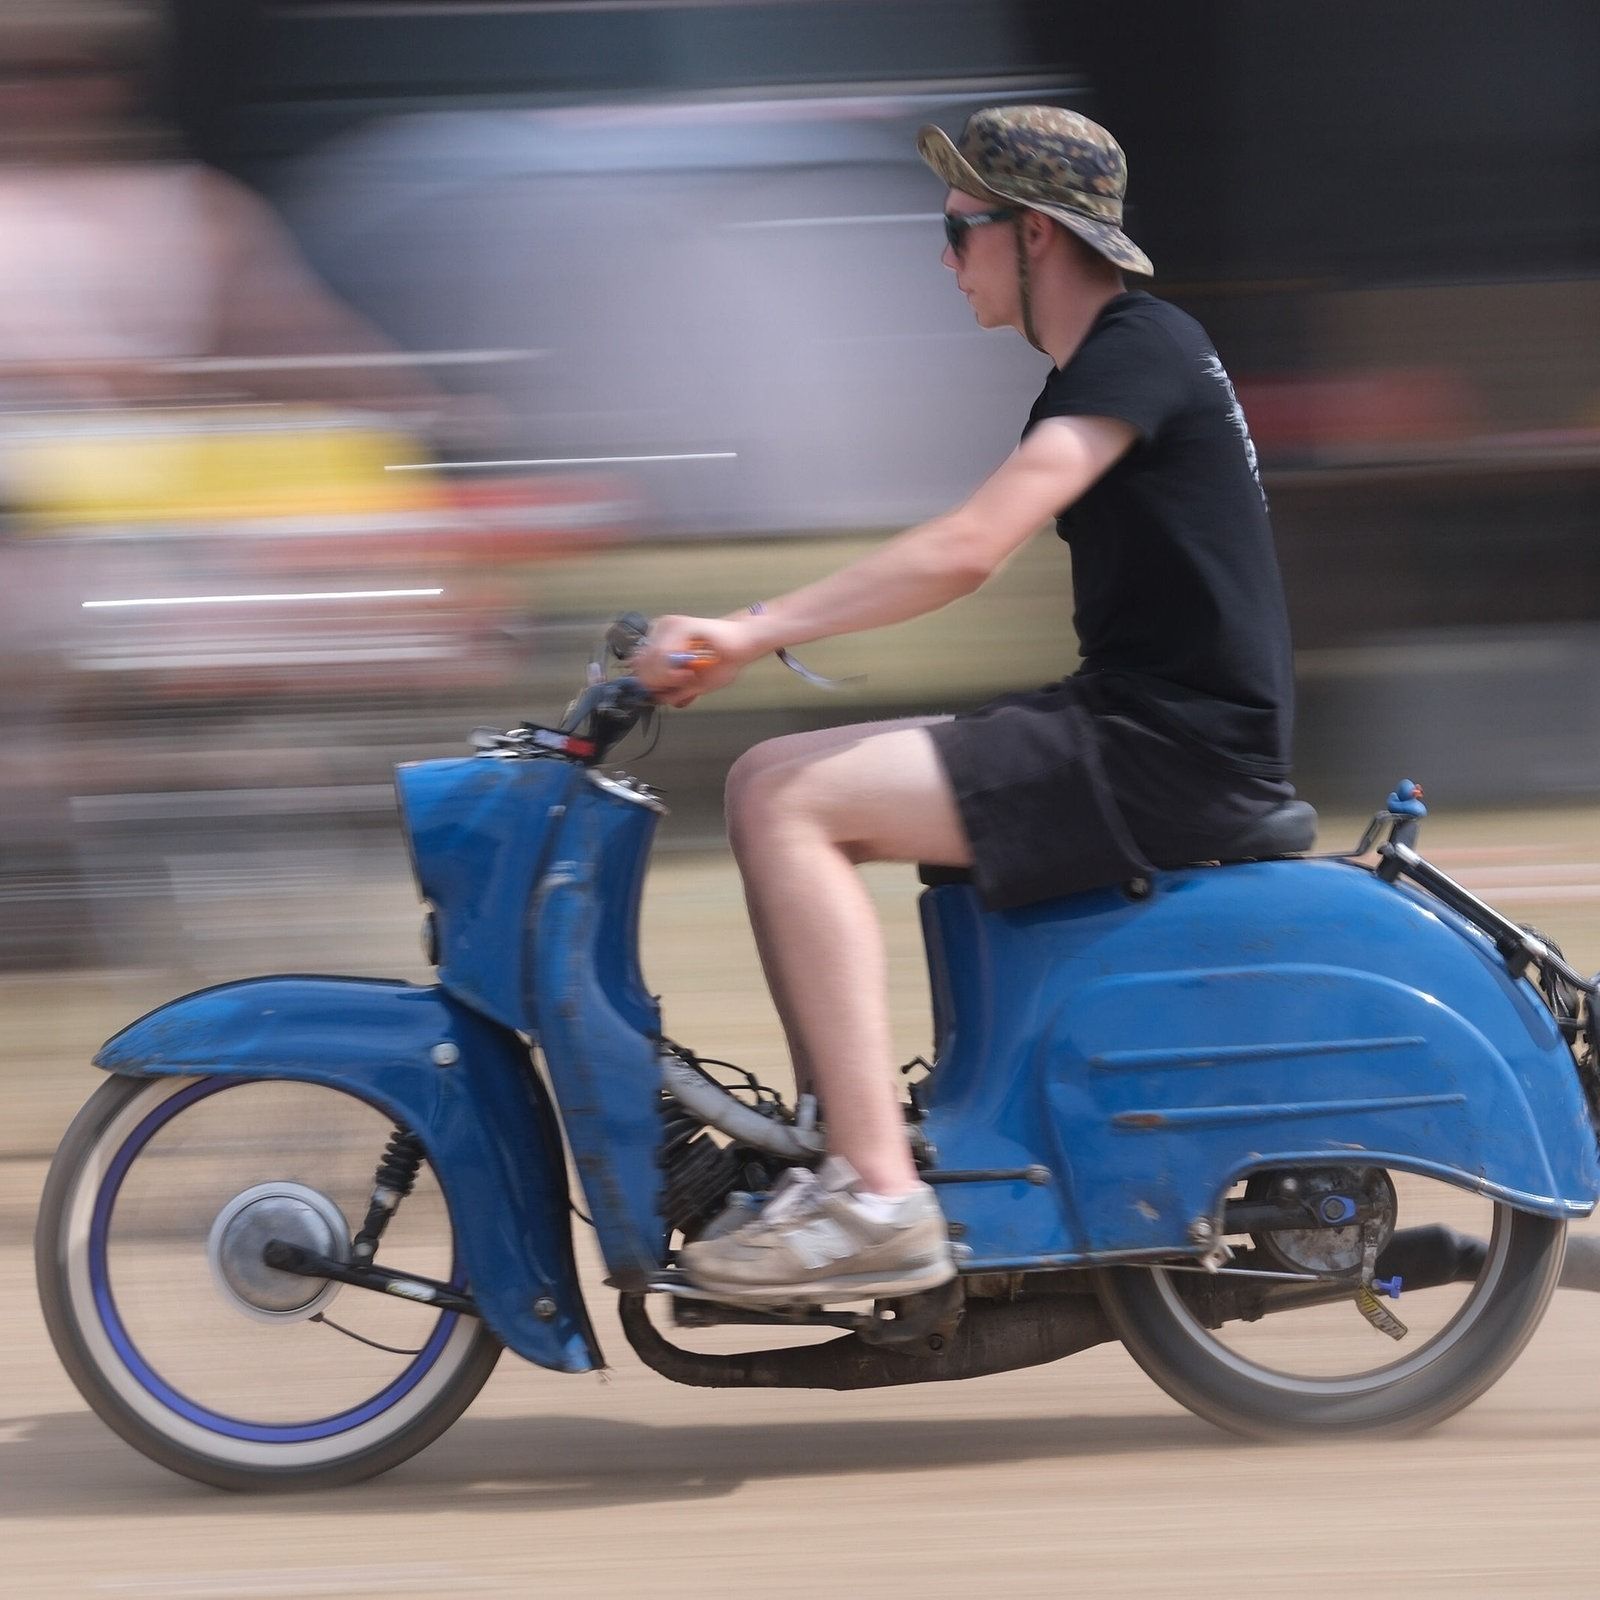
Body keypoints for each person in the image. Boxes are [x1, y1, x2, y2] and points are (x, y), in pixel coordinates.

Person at [632, 106, 1297, 1305]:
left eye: (958, 229)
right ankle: (842, 1145)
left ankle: (877, 1197)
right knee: (761, 780)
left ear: (1034, 235)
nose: (945, 259)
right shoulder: (1117, 363)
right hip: (1138, 724)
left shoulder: (1136, 350)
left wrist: (748, 629)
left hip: (1169, 748)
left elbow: (966, 549)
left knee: (796, 808)